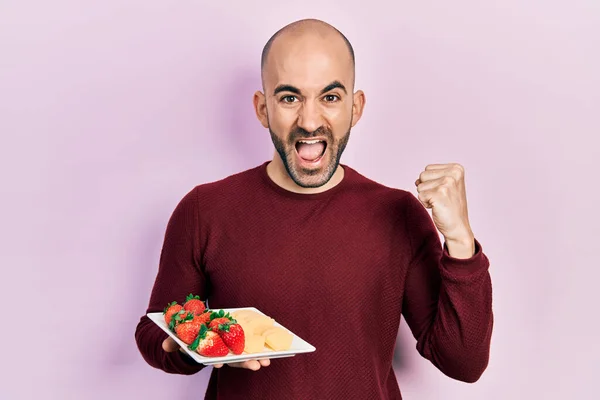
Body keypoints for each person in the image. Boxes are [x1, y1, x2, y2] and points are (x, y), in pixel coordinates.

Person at [134, 18, 493, 399]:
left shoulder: (399, 213)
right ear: (262, 108)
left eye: (330, 97)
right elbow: (155, 330)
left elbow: (463, 363)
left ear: (355, 108)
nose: (309, 121)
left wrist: (459, 239)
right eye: (289, 98)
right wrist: (193, 346)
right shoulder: (203, 210)